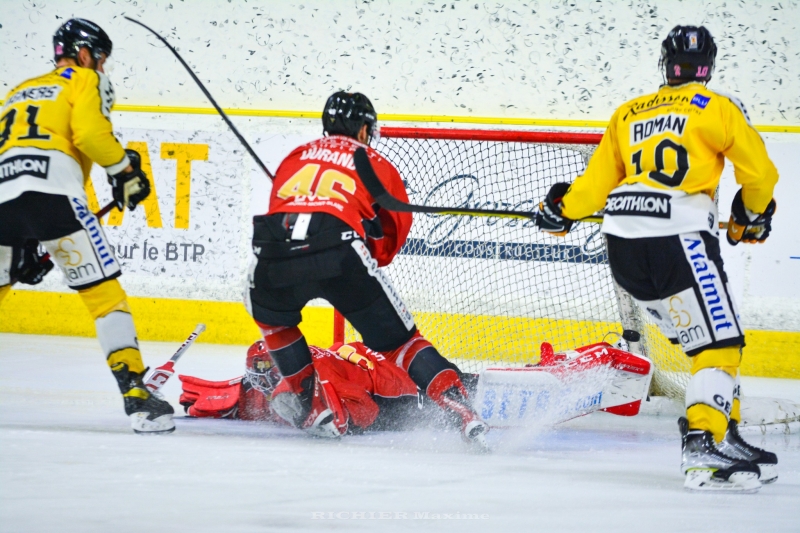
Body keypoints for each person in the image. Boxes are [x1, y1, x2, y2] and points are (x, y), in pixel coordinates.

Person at [536, 26, 779, 491]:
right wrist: (749, 215)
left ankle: (724, 430)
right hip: (678, 238)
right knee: (718, 346)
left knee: (703, 342)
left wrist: (559, 211)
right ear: (708, 67)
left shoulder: (627, 113)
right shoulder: (717, 107)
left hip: (624, 249)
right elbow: (761, 173)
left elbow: (591, 189)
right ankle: (704, 444)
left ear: (666, 66)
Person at [245, 91, 487, 448]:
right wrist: (369, 246)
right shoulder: (371, 158)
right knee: (404, 343)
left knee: (275, 323)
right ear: (363, 128)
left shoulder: (295, 156)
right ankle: (462, 411)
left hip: (271, 256)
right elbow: (394, 232)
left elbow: (280, 208)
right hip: (340, 252)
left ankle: (312, 407)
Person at [0, 19, 174, 434]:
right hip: (55, 195)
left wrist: (22, 242)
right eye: (101, 59)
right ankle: (136, 395)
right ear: (84, 54)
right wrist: (125, 170)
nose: (102, 67)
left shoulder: (18, 90)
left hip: (1, 195)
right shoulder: (85, 79)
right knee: (103, 296)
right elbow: (91, 134)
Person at [179, 340, 426, 435]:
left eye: (268, 366)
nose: (262, 375)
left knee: (431, 403)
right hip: (359, 361)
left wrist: (337, 419)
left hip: (392, 390)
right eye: (259, 367)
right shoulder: (295, 369)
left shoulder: (316, 373)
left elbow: (368, 410)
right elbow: (262, 396)